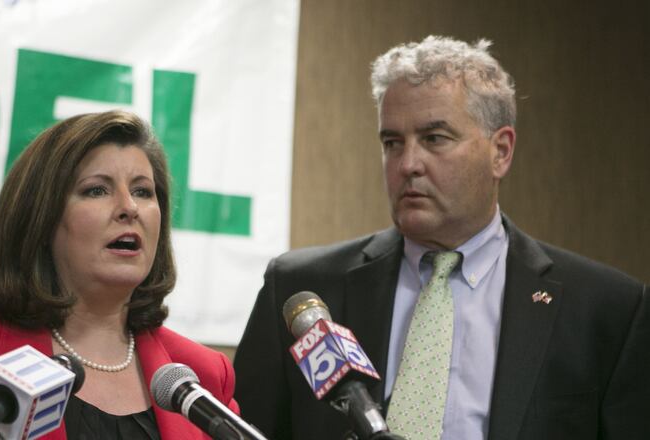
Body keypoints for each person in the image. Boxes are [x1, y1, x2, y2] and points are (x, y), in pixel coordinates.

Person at [233, 36, 649, 440]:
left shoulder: (606, 309)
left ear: (500, 151)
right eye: (392, 142)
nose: (408, 163)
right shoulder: (300, 288)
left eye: (434, 139)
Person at [0, 111, 238, 440]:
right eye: (97, 190)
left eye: (143, 191)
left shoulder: (203, 375)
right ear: (41, 217)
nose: (129, 208)